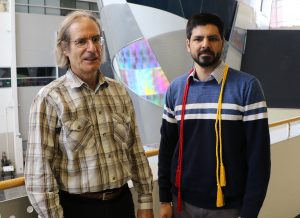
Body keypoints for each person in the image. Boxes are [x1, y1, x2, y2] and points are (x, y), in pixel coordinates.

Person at [24, 10, 154, 218]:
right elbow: (39, 170)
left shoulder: (118, 91)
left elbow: (135, 150)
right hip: (77, 209)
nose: (92, 48)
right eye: (81, 42)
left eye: (96, 39)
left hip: (122, 203)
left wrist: (146, 200)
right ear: (65, 48)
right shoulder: (50, 98)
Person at [158, 13, 270, 218]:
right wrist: (164, 198)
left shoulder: (247, 87)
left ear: (223, 43)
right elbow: (166, 147)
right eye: (198, 39)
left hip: (228, 206)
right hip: (181, 202)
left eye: (212, 38)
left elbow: (259, 158)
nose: (205, 44)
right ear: (188, 44)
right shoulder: (175, 89)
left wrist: (249, 212)